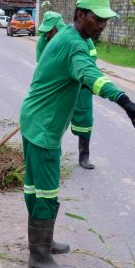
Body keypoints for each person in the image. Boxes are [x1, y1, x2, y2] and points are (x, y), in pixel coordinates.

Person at [19, 0, 135, 268]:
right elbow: (90, 75)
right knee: (46, 191)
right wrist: (124, 101)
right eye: (97, 19)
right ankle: (38, 257)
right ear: (80, 15)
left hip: (33, 118)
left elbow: (84, 76)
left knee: (34, 187)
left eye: (105, 20)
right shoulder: (75, 44)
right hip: (43, 127)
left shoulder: (66, 36)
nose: (102, 25)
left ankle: (44, 241)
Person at [36, 12, 97, 170]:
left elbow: (90, 63)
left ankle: (84, 156)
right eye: (45, 31)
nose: (47, 34)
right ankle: (53, 152)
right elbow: (41, 67)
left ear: (57, 27)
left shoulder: (83, 40)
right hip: (57, 85)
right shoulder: (44, 41)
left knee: (84, 118)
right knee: (53, 118)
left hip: (80, 84)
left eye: (50, 30)